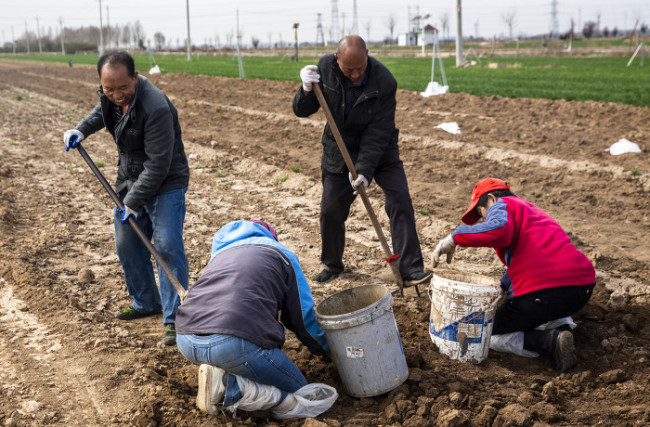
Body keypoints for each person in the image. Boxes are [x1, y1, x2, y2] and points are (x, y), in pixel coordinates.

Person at [62, 51, 189, 346]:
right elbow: (101, 112)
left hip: (166, 181)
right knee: (127, 242)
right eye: (109, 89)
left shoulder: (155, 106)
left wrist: (132, 201)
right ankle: (146, 303)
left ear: (135, 77)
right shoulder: (111, 95)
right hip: (129, 179)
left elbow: (158, 165)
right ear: (102, 83)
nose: (116, 95)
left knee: (167, 246)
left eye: (122, 88)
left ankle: (175, 318)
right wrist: (80, 130)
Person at [292, 35, 432, 287]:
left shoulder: (385, 81)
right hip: (340, 146)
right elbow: (302, 110)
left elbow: (378, 132)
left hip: (381, 148)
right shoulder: (324, 69)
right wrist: (305, 89)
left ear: (368, 55)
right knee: (331, 210)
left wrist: (364, 172)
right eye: (349, 69)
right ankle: (332, 264)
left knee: (399, 199)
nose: (355, 75)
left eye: (361, 68)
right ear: (337, 60)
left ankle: (410, 268)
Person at [175, 220, 337, 419]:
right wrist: (324, 349)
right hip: (233, 344)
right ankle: (232, 387)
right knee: (301, 397)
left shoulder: (218, 257)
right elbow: (302, 318)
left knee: (235, 354)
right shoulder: (282, 254)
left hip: (186, 340)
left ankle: (221, 375)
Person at [431, 178, 596, 372]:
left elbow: (500, 230)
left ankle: (548, 341)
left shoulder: (501, 205)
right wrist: (502, 287)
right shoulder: (531, 211)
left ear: (491, 199)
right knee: (547, 304)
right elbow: (526, 261)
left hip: (545, 292)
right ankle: (563, 329)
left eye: (480, 212)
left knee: (483, 332)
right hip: (581, 288)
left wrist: (455, 237)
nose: (484, 219)